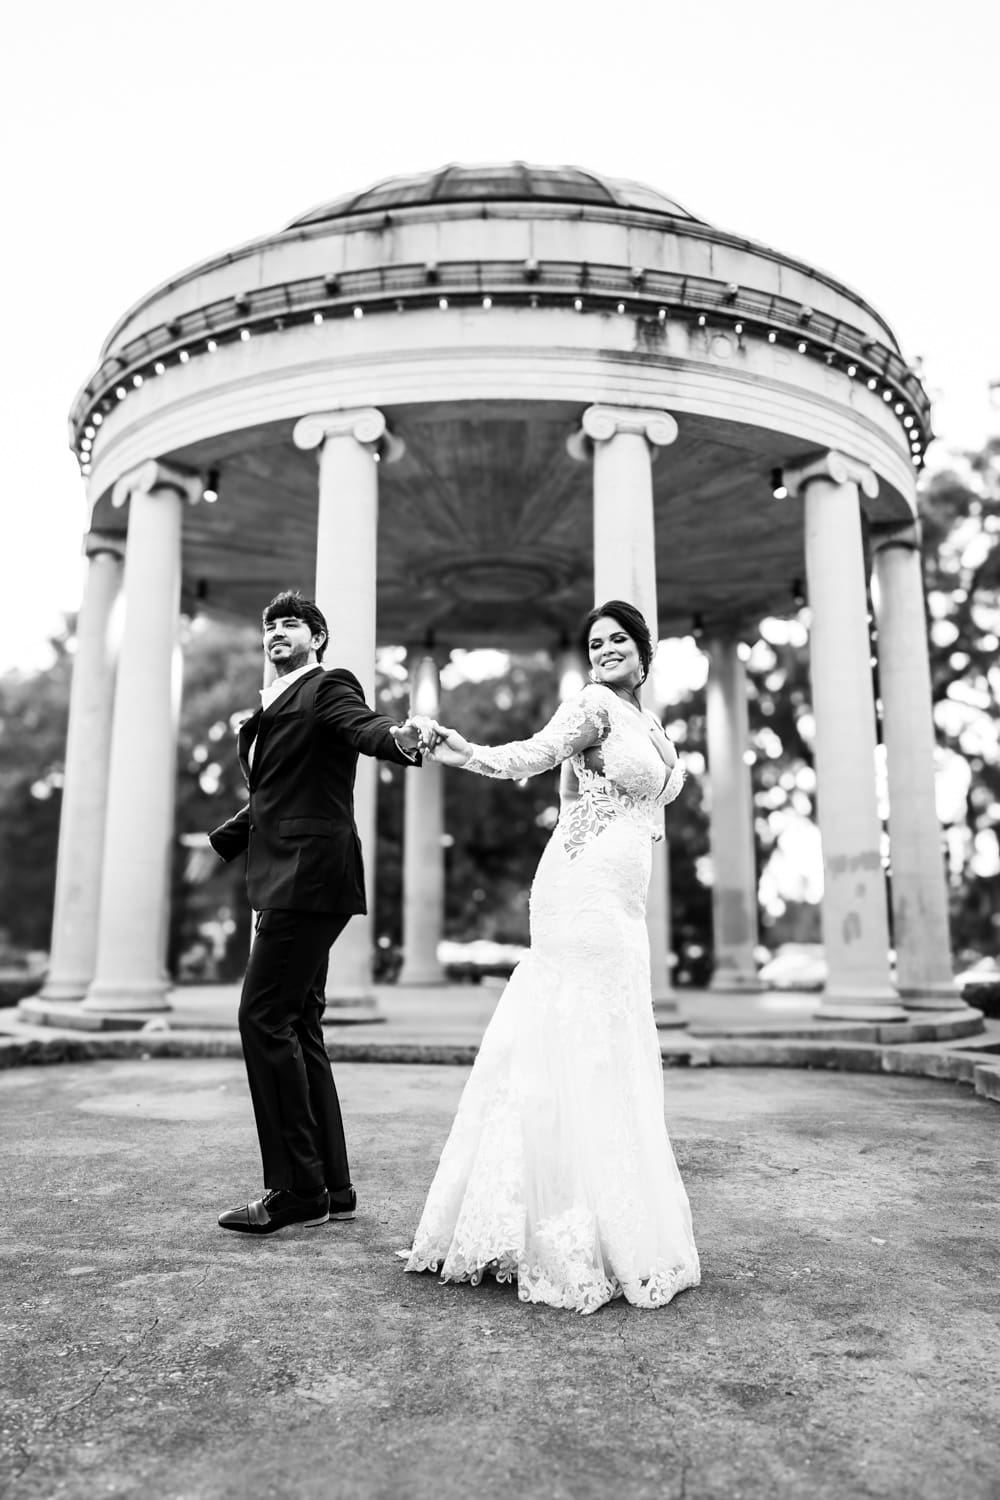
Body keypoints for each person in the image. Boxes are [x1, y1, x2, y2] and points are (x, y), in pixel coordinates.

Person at [404, 601, 700, 1314]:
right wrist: (459, 748)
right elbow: (530, 757)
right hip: (582, 885)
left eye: (618, 640)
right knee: (576, 1034)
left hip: (625, 899)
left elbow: (655, 797)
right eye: (595, 642)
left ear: (643, 649)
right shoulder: (594, 705)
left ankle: (609, 1210)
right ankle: (551, 1222)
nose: (604, 650)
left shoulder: (651, 726)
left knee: (614, 1040)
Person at [204, 591, 424, 1236]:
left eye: (291, 624)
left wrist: (399, 738)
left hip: (308, 873)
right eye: (269, 625)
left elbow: (363, 727)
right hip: (288, 871)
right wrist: (227, 837)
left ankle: (294, 1190)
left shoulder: (327, 686)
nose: (277, 632)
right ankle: (331, 1185)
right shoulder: (270, 705)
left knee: (262, 1015)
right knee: (298, 1021)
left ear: (317, 638)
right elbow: (277, 792)